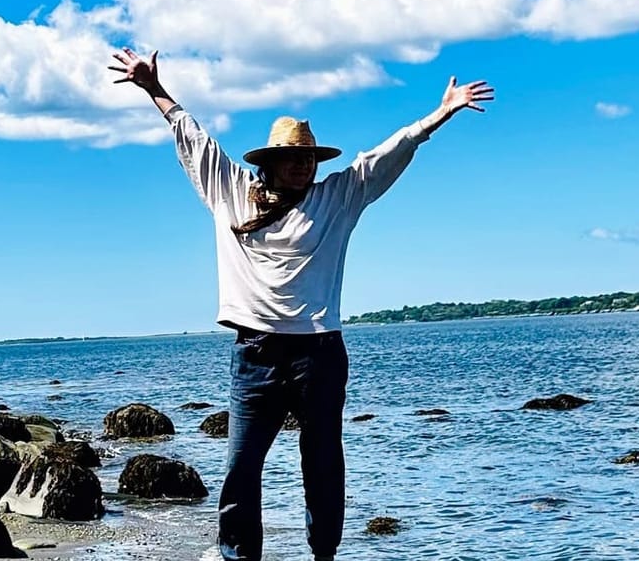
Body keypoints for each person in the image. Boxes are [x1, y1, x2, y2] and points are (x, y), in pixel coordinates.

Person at [108, 46, 494, 561]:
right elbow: (193, 138)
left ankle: (324, 556)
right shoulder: (231, 191)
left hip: (319, 353)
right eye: (293, 158)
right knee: (241, 468)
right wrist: (153, 89)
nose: (302, 165)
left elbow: (390, 152)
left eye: (308, 157)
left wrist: (440, 113)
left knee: (322, 463)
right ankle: (238, 558)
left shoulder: (338, 196)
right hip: (256, 355)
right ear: (270, 163)